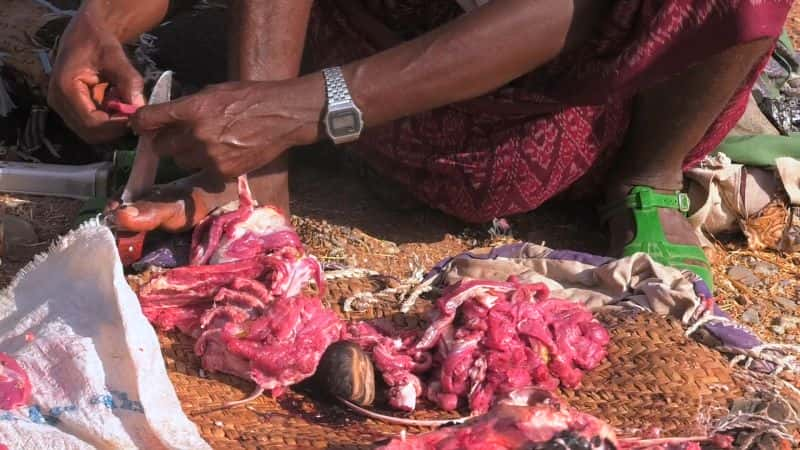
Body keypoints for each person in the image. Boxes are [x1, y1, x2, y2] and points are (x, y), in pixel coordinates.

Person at [47, 0, 794, 292]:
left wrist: (305, 109)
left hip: (557, 97)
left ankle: (648, 173)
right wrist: (102, 21)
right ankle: (260, 188)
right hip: (361, 34)